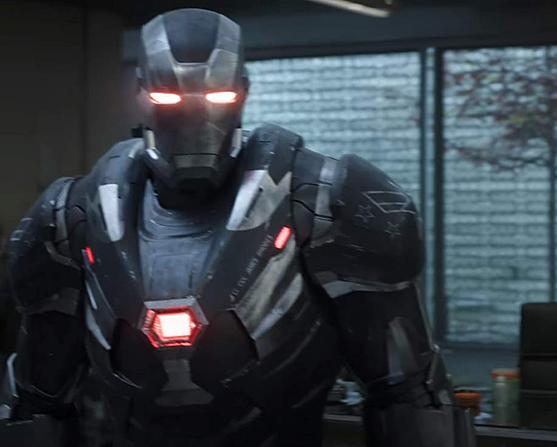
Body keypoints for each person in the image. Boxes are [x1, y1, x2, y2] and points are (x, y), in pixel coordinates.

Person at [0, 8, 474, 447]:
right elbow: (36, 401)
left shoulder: (324, 199)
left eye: (217, 96)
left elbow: (409, 391)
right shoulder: (72, 216)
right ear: (140, 94)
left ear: (242, 91)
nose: (193, 114)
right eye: (168, 96)